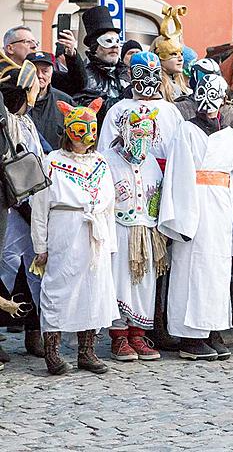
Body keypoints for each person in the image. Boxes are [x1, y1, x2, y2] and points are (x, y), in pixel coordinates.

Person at [160, 74, 233, 359]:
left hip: (222, 206)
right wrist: (182, 219)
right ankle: (189, 334)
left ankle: (212, 327)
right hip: (195, 204)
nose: (210, 106)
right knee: (192, 269)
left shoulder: (230, 136)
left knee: (218, 271)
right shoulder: (187, 131)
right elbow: (179, 174)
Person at [31, 98, 119, 375]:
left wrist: (110, 243)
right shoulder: (52, 162)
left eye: (90, 129)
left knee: (94, 289)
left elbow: (110, 205)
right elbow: (39, 206)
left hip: (95, 234)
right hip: (64, 230)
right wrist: (40, 245)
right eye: (80, 129)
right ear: (69, 130)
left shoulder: (101, 162)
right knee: (59, 288)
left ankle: (87, 351)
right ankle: (52, 352)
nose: (85, 137)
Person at [105, 104, 165, 362]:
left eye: (146, 135)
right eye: (137, 134)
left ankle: (138, 335)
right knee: (119, 282)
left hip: (146, 232)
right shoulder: (108, 160)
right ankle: (119, 337)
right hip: (119, 230)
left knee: (143, 285)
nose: (143, 140)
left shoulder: (152, 162)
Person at [0, 65, 45, 361]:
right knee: (4, 269)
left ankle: (35, 331)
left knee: (35, 270)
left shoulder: (27, 124)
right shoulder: (5, 124)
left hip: (32, 210)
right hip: (8, 208)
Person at [98, 52, 185, 169]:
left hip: (167, 172)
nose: (150, 79)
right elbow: (107, 149)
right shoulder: (118, 110)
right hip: (127, 171)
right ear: (130, 73)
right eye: (143, 73)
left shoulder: (171, 110)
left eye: (155, 74)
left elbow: (181, 147)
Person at [75, 6, 130, 122]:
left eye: (117, 41)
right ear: (95, 48)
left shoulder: (126, 74)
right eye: (108, 41)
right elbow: (90, 110)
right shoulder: (84, 76)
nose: (115, 46)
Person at [3, 25, 84, 96]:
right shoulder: (3, 77)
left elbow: (77, 84)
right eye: (27, 42)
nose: (34, 46)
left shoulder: (45, 74)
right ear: (10, 48)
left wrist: (71, 54)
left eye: (35, 42)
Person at [27, 51, 75, 150]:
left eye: (45, 71)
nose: (39, 75)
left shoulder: (65, 102)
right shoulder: (16, 102)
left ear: (52, 73)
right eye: (35, 71)